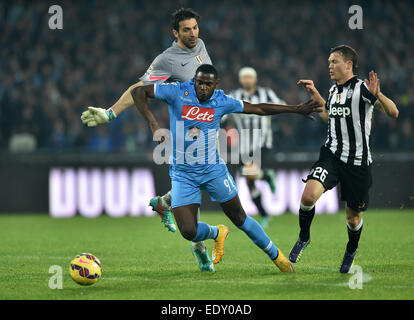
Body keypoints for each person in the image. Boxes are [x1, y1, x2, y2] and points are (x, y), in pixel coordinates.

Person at [81, 64, 321, 272]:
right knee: (188, 231)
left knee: (240, 217)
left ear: (215, 84)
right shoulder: (177, 91)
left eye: (208, 84)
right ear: (193, 81)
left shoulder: (222, 100)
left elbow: (258, 108)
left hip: (213, 171)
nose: (203, 88)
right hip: (183, 174)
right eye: (199, 83)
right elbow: (139, 92)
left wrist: (295, 109)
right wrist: (154, 124)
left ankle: (277, 257)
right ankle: (217, 232)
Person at [82, 7, 210, 239]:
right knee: (202, 179)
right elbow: (139, 89)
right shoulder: (166, 60)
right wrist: (110, 113)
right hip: (187, 131)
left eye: (195, 28)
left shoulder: (200, 45)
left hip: (206, 125)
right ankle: (193, 236)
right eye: (186, 30)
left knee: (199, 180)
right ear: (175, 33)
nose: (192, 34)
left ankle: (165, 203)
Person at [288, 45, 399, 273]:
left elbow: (393, 112)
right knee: (308, 196)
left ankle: (350, 250)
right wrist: (314, 95)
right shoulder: (332, 90)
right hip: (331, 156)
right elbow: (329, 116)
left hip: (357, 163)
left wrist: (378, 94)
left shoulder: (362, 89)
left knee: (353, 217)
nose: (330, 65)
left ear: (348, 65)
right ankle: (304, 237)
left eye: (334, 61)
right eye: (329, 61)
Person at [225, 66, 286, 228]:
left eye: (249, 77)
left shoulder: (266, 93)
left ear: (255, 79)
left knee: (249, 173)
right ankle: (264, 212)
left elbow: (280, 105)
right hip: (243, 146)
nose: (247, 80)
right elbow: (222, 112)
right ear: (240, 80)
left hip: (263, 142)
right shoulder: (234, 96)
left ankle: (266, 176)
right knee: (249, 182)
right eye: (244, 77)